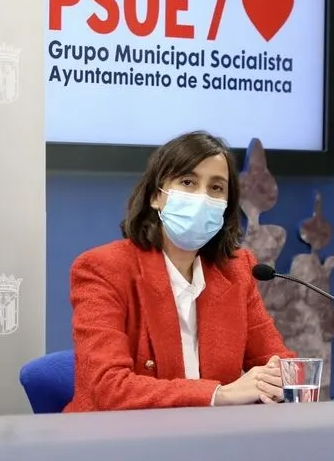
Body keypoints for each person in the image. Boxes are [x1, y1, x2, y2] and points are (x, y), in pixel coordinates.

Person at [64, 131, 295, 412]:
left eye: (216, 188)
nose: (202, 197)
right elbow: (108, 388)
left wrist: (277, 377)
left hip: (216, 442)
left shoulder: (237, 270)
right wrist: (218, 394)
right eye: (188, 182)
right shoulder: (103, 269)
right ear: (155, 197)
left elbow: (279, 363)